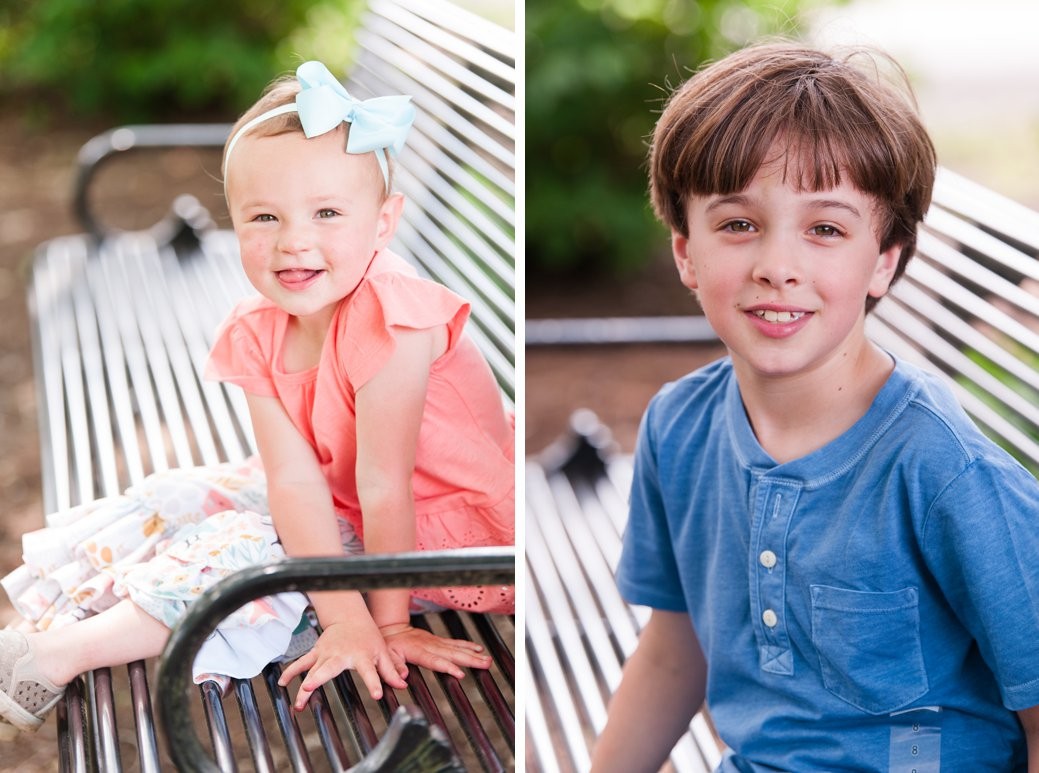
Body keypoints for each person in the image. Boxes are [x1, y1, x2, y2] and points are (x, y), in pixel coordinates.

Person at [0, 60, 515, 733]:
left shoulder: (394, 315)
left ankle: (55, 655)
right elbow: (294, 481)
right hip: (347, 497)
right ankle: (40, 623)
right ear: (234, 219)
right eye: (264, 217)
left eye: (327, 213)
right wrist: (341, 607)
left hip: (448, 525)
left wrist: (373, 625)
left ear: (384, 222)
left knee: (247, 548)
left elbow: (388, 483)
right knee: (183, 495)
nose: (293, 240)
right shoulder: (256, 328)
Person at [590, 42, 1039, 771]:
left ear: (882, 262)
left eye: (824, 229)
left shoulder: (939, 467)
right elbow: (675, 653)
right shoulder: (679, 427)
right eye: (738, 224)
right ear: (684, 252)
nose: (777, 265)